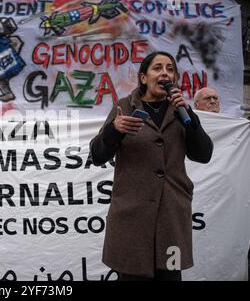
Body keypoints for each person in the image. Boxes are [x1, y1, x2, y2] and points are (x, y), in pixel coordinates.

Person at [89, 51, 213, 281]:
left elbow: (203, 154)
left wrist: (191, 120)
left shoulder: (181, 111)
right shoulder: (124, 107)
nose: (164, 73)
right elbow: (97, 155)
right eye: (157, 68)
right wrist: (114, 130)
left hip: (172, 217)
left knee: (170, 275)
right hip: (131, 218)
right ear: (144, 77)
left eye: (170, 68)